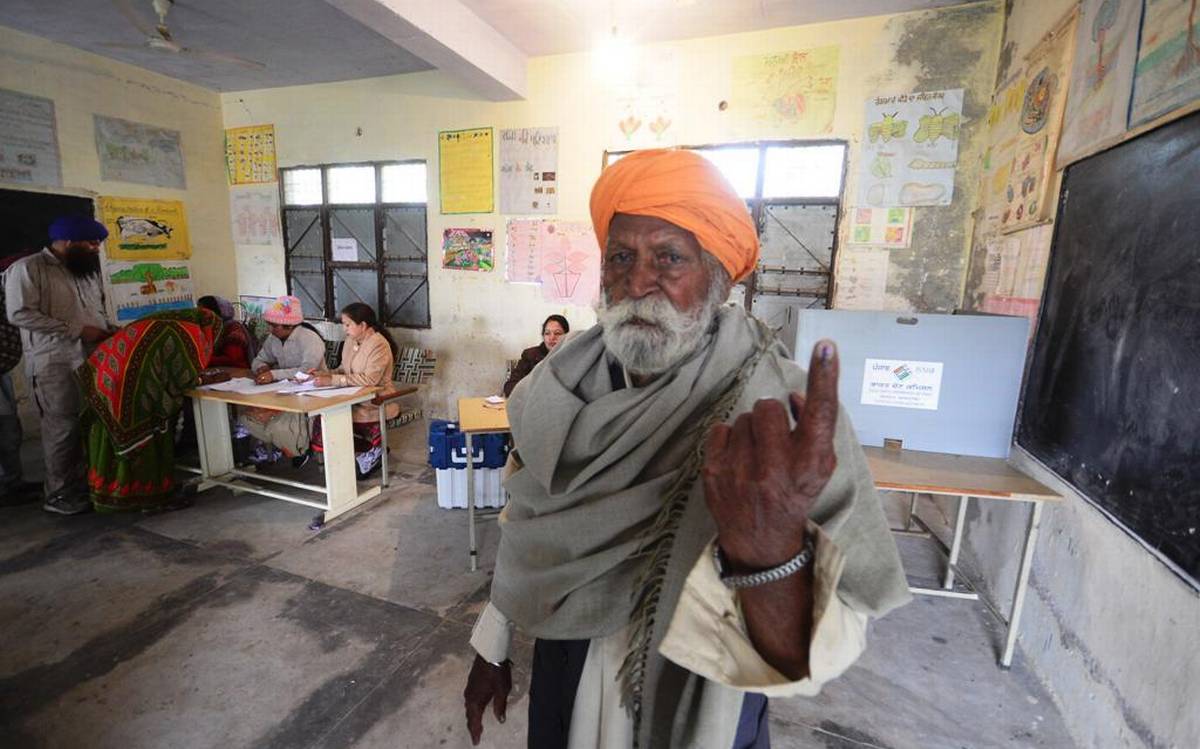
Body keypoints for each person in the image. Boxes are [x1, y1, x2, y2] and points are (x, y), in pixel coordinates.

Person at [462, 150, 911, 748]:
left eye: (669, 257)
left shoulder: (784, 409)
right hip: (566, 668)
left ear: (719, 279)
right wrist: (492, 645)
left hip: (708, 696)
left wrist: (770, 561)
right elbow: (526, 522)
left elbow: (835, 640)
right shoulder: (554, 389)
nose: (638, 283)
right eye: (621, 257)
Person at [5, 215, 114, 515]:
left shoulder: (85, 270)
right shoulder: (28, 269)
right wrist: (76, 330)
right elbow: (19, 314)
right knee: (62, 427)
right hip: (54, 362)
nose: (96, 248)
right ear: (67, 241)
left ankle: (86, 482)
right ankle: (59, 493)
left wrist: (109, 330)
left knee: (91, 422)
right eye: (91, 242)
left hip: (92, 358)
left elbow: (95, 311)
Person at [78, 309, 222, 511]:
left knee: (108, 434)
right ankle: (150, 499)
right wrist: (203, 379)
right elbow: (183, 378)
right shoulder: (189, 332)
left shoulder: (157, 322)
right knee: (149, 435)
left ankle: (106, 493)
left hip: (105, 378)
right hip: (132, 386)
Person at [307, 302, 399, 476]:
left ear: (363, 325)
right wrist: (322, 374)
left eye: (348, 325)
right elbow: (344, 369)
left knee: (334, 415)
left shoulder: (378, 344)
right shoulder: (351, 341)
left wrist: (333, 380)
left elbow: (370, 380)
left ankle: (372, 451)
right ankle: (348, 456)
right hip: (353, 397)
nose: (345, 329)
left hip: (376, 400)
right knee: (325, 413)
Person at [237, 295, 325, 466]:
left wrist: (274, 374)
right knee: (247, 417)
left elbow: (307, 371)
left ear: (290, 326)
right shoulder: (273, 340)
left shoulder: (309, 339)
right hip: (284, 392)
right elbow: (259, 359)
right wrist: (261, 367)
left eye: (274, 325)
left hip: (311, 392)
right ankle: (289, 445)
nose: (270, 330)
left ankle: (298, 447)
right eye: (270, 324)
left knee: (279, 424)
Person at [0, 252, 42, 505]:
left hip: (3, 369)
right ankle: (7, 485)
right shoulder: (10, 284)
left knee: (9, 428)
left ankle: (12, 482)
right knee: (6, 429)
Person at [502, 314, 569, 397]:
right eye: (547, 333)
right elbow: (510, 386)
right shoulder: (530, 355)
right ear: (543, 336)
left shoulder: (573, 357)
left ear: (567, 336)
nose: (552, 338)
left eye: (557, 333)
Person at [196, 295, 255, 368]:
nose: (199, 316)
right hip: (220, 369)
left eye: (203, 312)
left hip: (238, 370)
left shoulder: (233, 328)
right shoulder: (210, 328)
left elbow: (231, 359)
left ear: (215, 312)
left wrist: (201, 360)